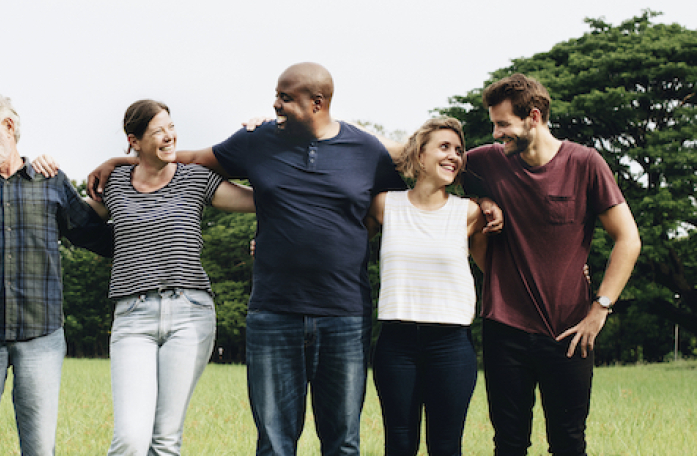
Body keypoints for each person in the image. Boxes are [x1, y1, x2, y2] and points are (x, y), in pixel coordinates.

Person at [89, 63, 408, 455]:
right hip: (273, 312)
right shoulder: (257, 140)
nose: (275, 103)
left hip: (344, 312)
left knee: (342, 443)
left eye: (286, 98)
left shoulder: (366, 150)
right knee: (273, 443)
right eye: (276, 94)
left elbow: (390, 206)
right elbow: (191, 158)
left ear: (318, 103)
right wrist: (122, 161)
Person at [35, 99, 255, 455]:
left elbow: (260, 200)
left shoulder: (195, 178)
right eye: (158, 132)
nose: (169, 136)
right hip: (133, 318)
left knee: (165, 439)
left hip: (191, 313)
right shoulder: (116, 182)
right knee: (130, 438)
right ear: (134, 140)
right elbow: (69, 215)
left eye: (171, 126)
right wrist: (46, 172)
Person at [465, 74, 640, 455]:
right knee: (508, 444)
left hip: (570, 331)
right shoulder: (485, 162)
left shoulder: (585, 163)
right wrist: (482, 201)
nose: (496, 134)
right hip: (504, 330)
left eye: (503, 124)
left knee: (568, 441)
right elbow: (428, 160)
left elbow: (628, 239)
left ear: (533, 116)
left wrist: (601, 308)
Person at [0, 93, 113, 456]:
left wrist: (149, 223)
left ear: (8, 126)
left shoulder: (51, 182)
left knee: (39, 449)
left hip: (41, 334)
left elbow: (93, 235)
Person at [363, 117, 487, 456]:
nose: (454, 156)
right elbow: (343, 245)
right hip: (396, 343)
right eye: (444, 147)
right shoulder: (385, 205)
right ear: (419, 156)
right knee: (399, 445)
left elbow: (495, 268)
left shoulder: (470, 213)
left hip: (450, 345)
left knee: (445, 447)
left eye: (459, 150)